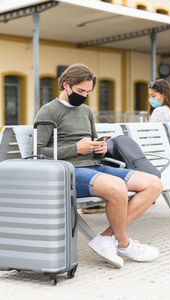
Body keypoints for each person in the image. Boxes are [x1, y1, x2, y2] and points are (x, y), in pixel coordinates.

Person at [34, 63, 163, 268]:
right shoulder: (48, 111)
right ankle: (123, 243)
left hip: (95, 165)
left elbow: (93, 140)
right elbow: (38, 152)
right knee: (117, 187)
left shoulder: (85, 111)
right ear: (65, 85)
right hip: (69, 170)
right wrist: (76, 148)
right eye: (80, 91)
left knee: (153, 183)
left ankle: (106, 238)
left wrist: (100, 148)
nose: (84, 95)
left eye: (88, 92)